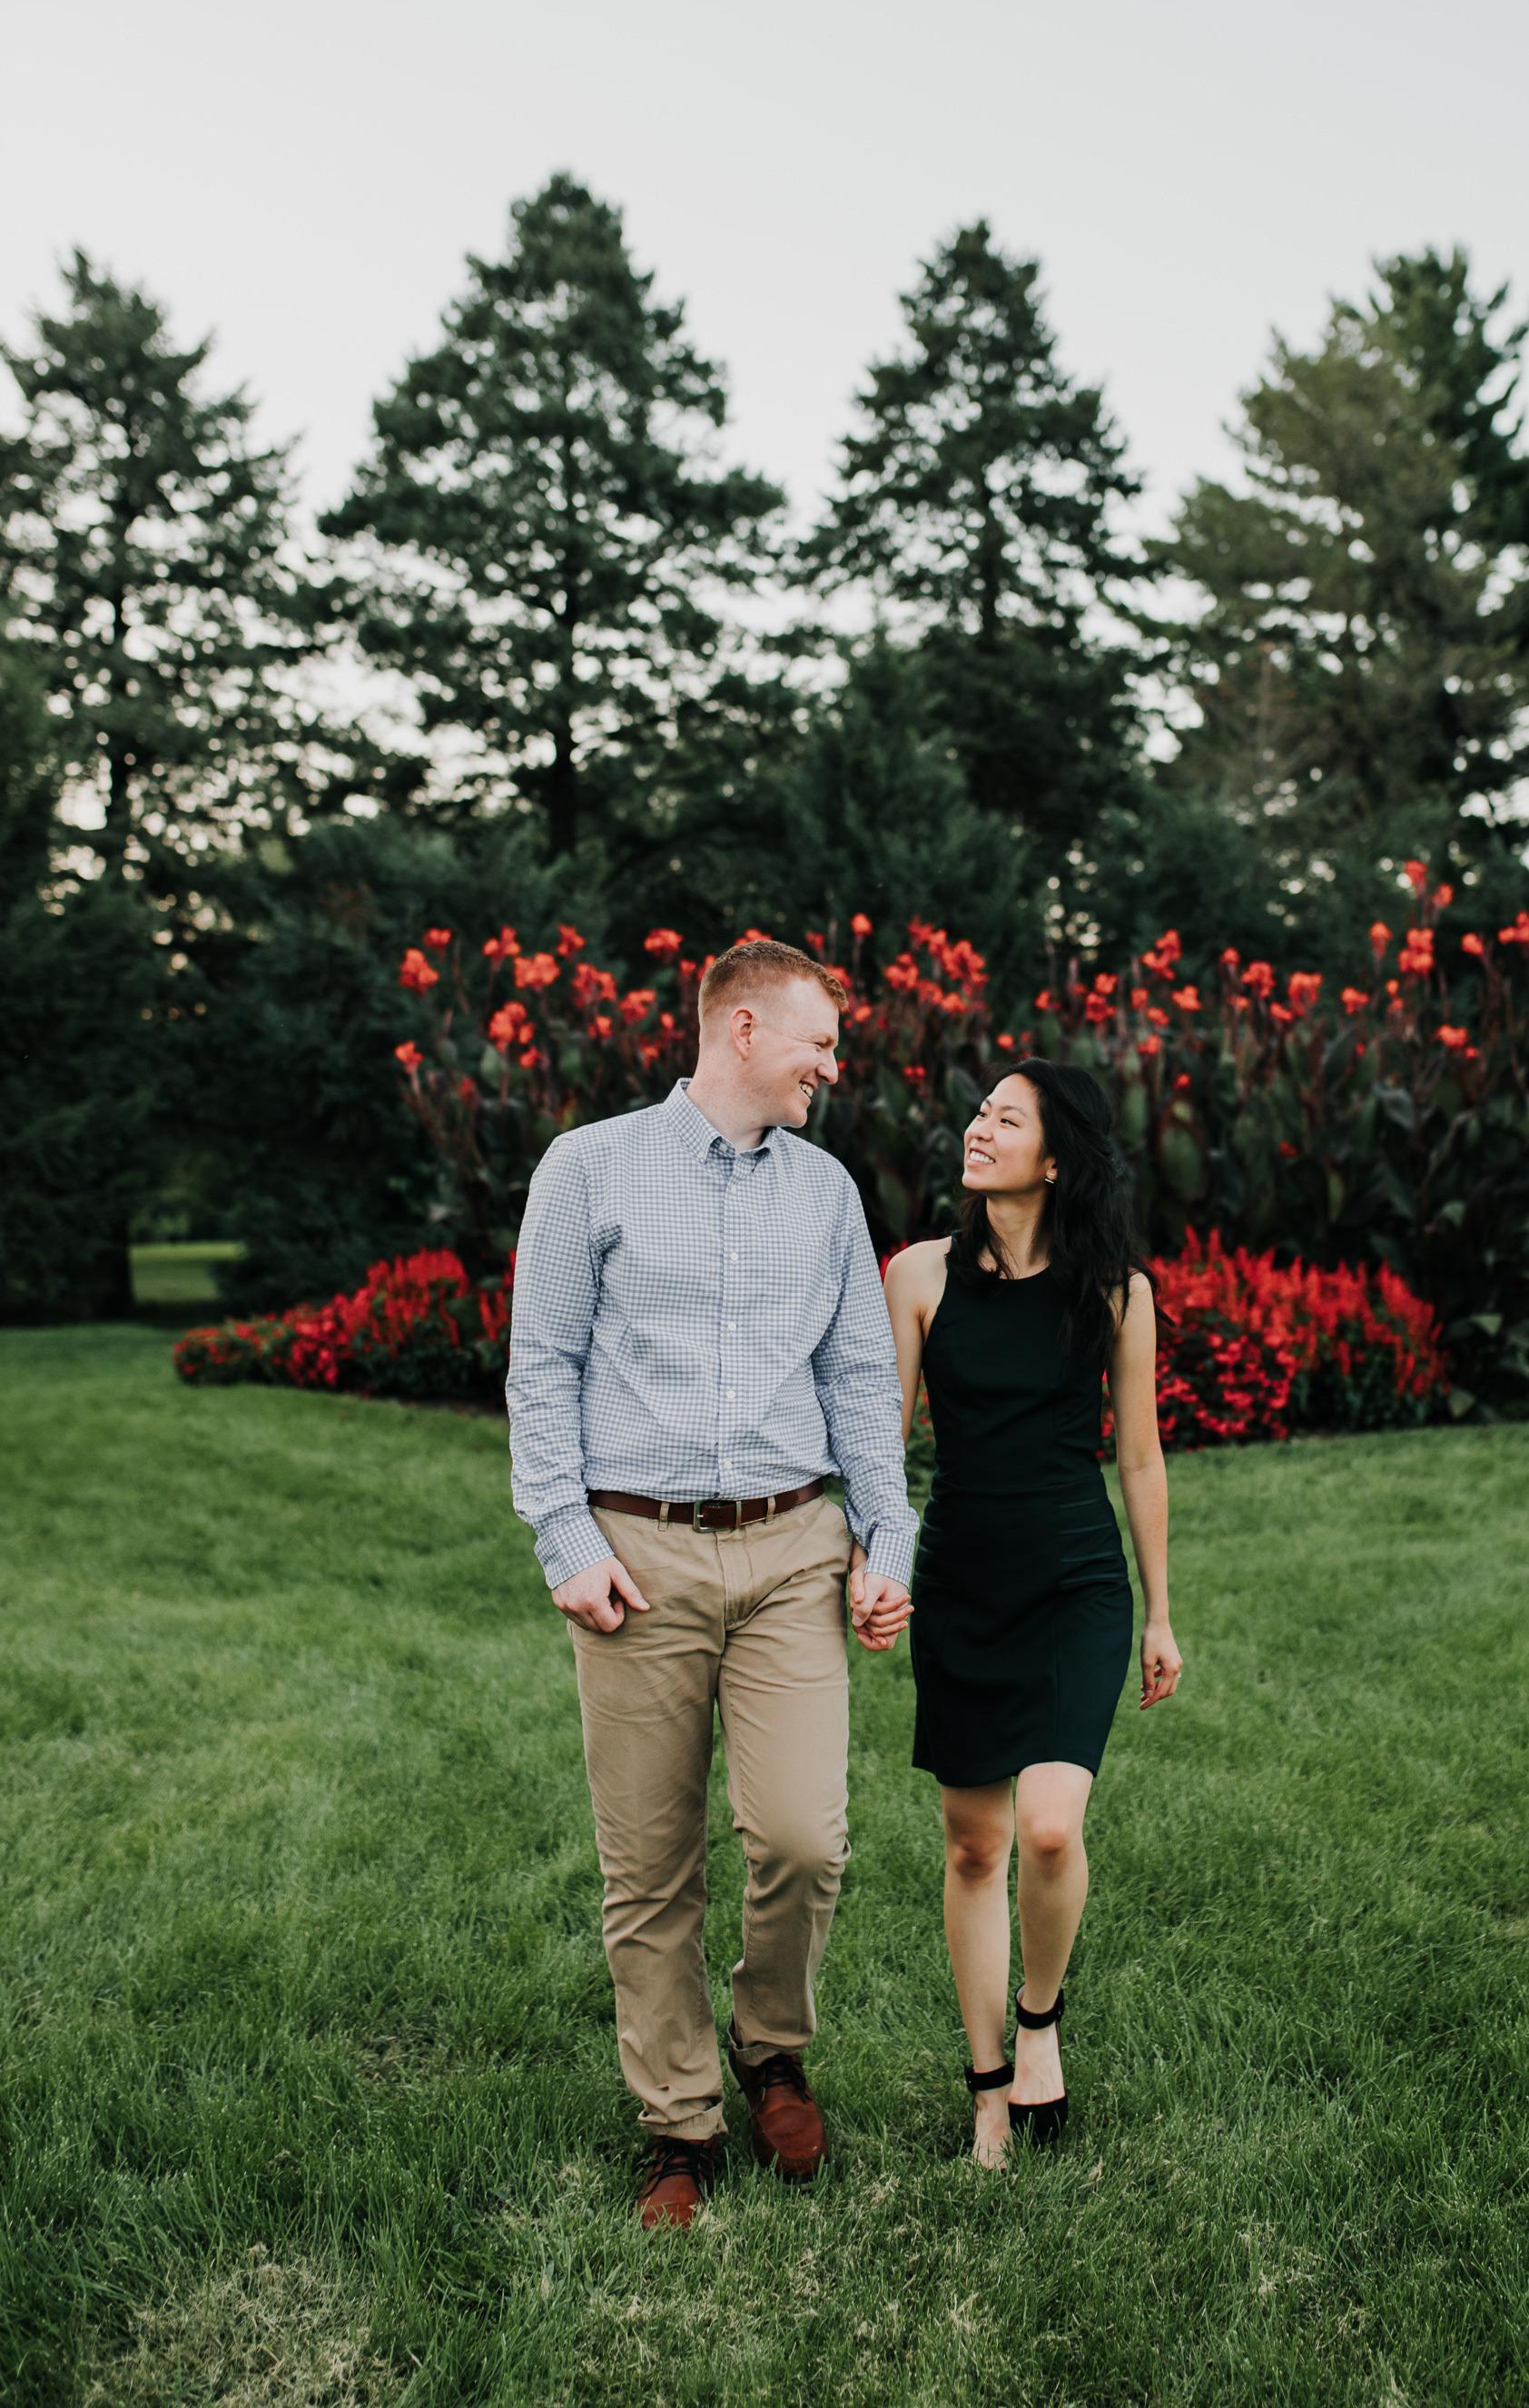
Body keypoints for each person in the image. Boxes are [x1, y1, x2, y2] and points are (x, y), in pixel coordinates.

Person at [508, 939, 917, 2230]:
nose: (830, 1069)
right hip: (638, 1556)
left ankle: (769, 2046)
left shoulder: (828, 1192)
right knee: (651, 1866)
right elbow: (542, 1366)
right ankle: (676, 2125)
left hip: (794, 1546)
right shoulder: (591, 1168)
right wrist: (565, 1538)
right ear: (740, 1028)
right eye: (818, 1044)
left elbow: (859, 1378)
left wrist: (886, 1538)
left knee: (805, 1836)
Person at [883, 1059, 1182, 2167]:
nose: (976, 1129)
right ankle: (983, 2087)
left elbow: (1139, 1460)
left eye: (1005, 1120)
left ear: (1054, 1160)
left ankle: (1040, 2019)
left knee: (1051, 1827)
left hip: (1072, 1581)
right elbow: (881, 1446)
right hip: (962, 1579)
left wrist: (1158, 1613)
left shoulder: (1115, 1292)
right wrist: (879, 1564)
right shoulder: (917, 1276)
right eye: (976, 1113)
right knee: (974, 1847)